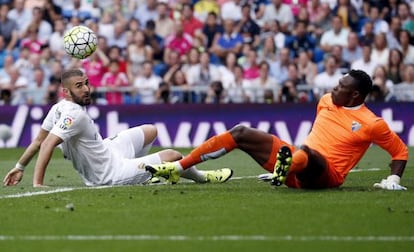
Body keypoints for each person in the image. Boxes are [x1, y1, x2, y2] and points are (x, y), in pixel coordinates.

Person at [145, 69, 408, 191]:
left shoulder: (372, 123)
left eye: (341, 87)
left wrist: (393, 180)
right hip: (295, 161)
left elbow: (400, 151)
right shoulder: (326, 100)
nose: (334, 88)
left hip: (324, 176)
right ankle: (178, 169)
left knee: (309, 153)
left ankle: (285, 168)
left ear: (355, 95)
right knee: (241, 132)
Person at [3, 69, 233, 187]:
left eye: (86, 83)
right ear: (66, 91)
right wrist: (37, 184)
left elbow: (37, 140)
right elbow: (45, 144)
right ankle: (203, 178)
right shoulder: (72, 114)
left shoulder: (59, 108)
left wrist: (19, 166)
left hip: (109, 150)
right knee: (173, 155)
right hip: (109, 174)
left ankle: (147, 175)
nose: (86, 89)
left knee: (150, 131)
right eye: (79, 86)